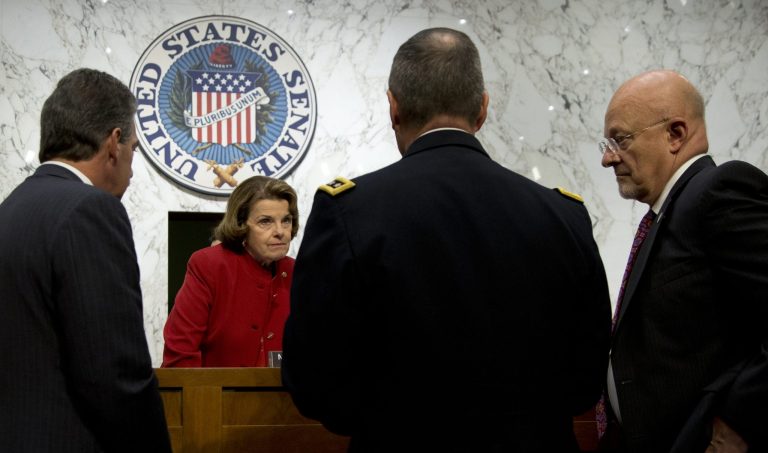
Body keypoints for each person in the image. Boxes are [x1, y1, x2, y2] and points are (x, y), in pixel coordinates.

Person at [282, 28, 611, 452]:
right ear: (483, 109)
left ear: (393, 107)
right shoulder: (563, 215)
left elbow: (314, 382)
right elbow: (585, 380)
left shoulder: (349, 211)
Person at [0, 69, 170, 452]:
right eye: (134, 150)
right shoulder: (90, 210)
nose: (130, 164)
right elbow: (115, 375)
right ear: (114, 143)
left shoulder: (10, 209)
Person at [599, 70, 768, 453]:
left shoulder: (720, 191)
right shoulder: (670, 210)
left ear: (675, 134)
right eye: (605, 144)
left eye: (620, 139)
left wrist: (737, 424)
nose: (608, 158)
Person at [162, 176, 298, 367]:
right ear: (241, 225)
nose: (280, 231)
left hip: (282, 395)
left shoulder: (299, 273)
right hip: (217, 394)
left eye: (286, 220)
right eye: (265, 221)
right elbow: (181, 352)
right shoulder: (210, 265)